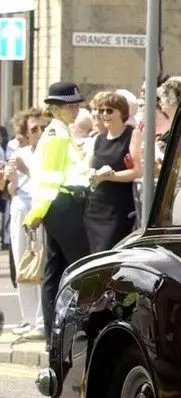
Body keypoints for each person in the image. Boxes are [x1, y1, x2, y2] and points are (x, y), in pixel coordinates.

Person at [26, 81, 92, 342]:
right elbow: (48, 180)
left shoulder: (60, 132)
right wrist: (37, 213)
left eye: (76, 105)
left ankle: (55, 329)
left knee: (57, 268)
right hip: (62, 206)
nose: (75, 109)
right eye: (69, 105)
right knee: (81, 265)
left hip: (62, 205)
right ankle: (81, 325)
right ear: (54, 108)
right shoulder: (56, 135)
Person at [84, 92, 141, 252]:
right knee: (94, 256)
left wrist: (110, 176)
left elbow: (137, 171)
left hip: (118, 208)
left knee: (110, 252)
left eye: (109, 111)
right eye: (101, 111)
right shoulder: (99, 139)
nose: (104, 115)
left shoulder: (132, 134)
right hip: (95, 207)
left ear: (122, 112)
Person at [5, 109, 45, 336]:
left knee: (40, 260)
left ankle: (40, 320)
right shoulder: (19, 152)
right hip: (21, 205)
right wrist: (11, 176)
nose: (39, 132)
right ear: (25, 133)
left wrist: (25, 169)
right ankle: (28, 318)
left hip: (39, 207)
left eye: (42, 128)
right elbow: (11, 189)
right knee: (22, 261)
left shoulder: (45, 153)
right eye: (34, 129)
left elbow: (42, 179)